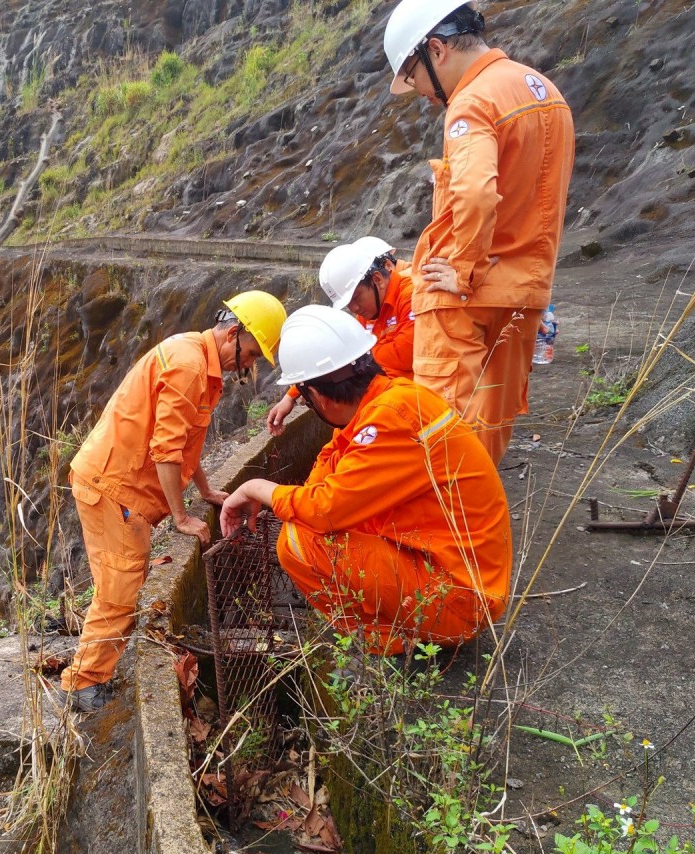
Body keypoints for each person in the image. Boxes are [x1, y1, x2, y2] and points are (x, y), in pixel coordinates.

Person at [222, 305, 511, 656]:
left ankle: (383, 641)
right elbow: (327, 471)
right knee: (318, 522)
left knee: (299, 542)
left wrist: (255, 488)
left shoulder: (389, 422)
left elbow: (324, 510)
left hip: (457, 600)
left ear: (319, 397)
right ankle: (394, 627)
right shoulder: (389, 400)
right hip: (455, 576)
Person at [62, 291, 288, 712]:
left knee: (123, 584)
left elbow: (186, 442)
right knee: (118, 591)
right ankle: (82, 684)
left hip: (117, 483)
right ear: (233, 334)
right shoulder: (188, 367)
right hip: (115, 488)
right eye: (251, 353)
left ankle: (91, 672)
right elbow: (166, 451)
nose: (248, 365)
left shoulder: (196, 358)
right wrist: (182, 517)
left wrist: (203, 490)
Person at [384, 0, 575, 463]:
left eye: (414, 76)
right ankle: (477, 530)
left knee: (447, 441)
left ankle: (450, 532)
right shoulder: (546, 92)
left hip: (463, 304)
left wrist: (464, 269)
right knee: (488, 434)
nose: (422, 93)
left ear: (436, 49)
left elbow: (474, 193)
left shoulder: (472, 102)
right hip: (521, 296)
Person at [266, 237, 415, 435]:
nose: (354, 308)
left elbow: (406, 353)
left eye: (355, 298)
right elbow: (346, 355)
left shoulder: (412, 295)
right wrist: (292, 395)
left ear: (377, 279)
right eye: (348, 304)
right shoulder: (368, 313)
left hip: (410, 409)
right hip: (384, 403)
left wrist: (362, 356)